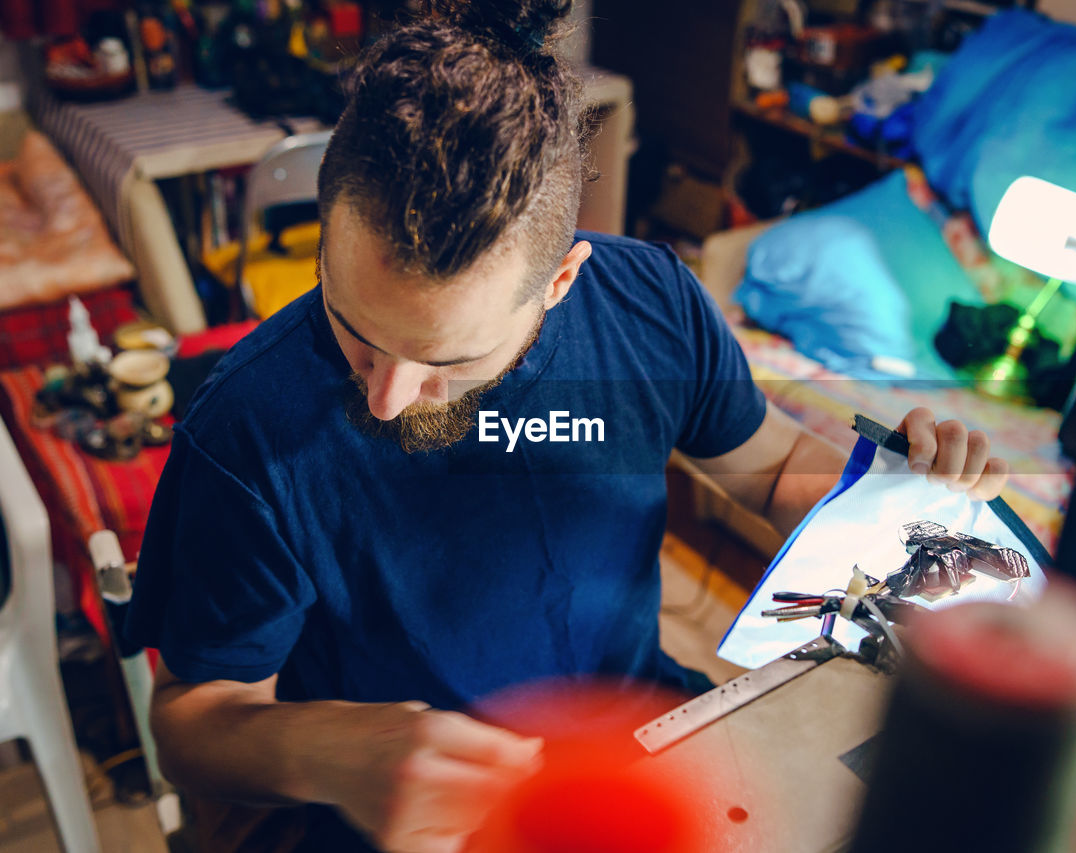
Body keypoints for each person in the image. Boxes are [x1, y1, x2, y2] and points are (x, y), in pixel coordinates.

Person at [125, 2, 1009, 851]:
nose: (387, 398)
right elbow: (193, 721)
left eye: (445, 362)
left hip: (644, 739)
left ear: (560, 283)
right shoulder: (245, 429)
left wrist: (898, 504)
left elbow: (772, 470)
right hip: (408, 815)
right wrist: (334, 751)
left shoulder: (649, 303)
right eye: (352, 329)